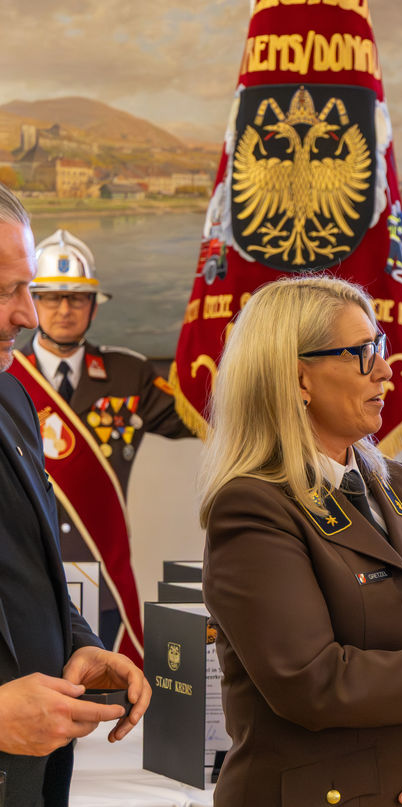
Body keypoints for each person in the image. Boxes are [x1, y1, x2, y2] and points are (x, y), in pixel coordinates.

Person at [199, 275, 402, 807]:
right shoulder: (253, 506)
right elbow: (312, 682)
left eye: (379, 345)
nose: (385, 369)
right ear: (298, 378)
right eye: (361, 353)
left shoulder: (401, 485)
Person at [0, 182, 151, 806]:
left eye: (27, 289)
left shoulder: (12, 399)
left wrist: (81, 643)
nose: (30, 316)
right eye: (6, 291)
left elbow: (26, 571)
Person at [12, 228, 194, 661]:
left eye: (77, 298)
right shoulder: (6, 376)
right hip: (25, 576)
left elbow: (200, 418)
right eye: (51, 298)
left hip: (103, 577)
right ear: (32, 302)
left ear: (94, 306)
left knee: (108, 690)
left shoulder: (129, 374)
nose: (64, 309)